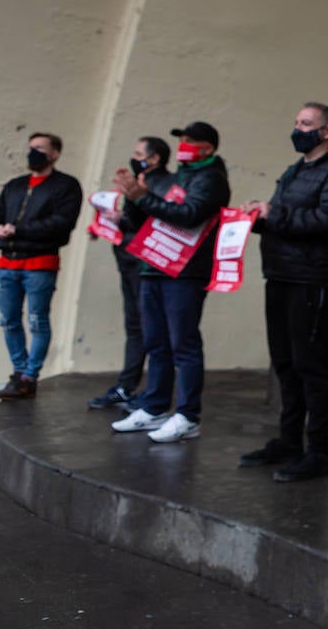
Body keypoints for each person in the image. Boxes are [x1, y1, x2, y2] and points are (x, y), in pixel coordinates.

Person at [238, 103, 328, 482]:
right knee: (285, 362)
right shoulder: (296, 170)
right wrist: (259, 216)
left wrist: (275, 215)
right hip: (281, 274)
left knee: (312, 363)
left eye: (306, 124)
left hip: (312, 278)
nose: (298, 129)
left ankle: (319, 451)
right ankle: (289, 440)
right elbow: (286, 216)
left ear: (327, 131)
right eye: (296, 122)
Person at [110, 121, 230, 443]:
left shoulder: (212, 179)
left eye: (191, 141)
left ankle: (188, 416)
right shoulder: (173, 178)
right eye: (181, 140)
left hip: (185, 272)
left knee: (183, 344)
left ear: (208, 147)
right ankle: (155, 407)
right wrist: (132, 197)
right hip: (154, 266)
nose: (183, 146)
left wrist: (144, 198)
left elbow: (189, 214)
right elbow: (145, 219)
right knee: (155, 342)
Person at [0, 132, 82, 400]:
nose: (33, 153)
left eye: (40, 148)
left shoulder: (66, 186)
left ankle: (30, 375)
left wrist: (18, 230)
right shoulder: (15, 185)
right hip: (7, 263)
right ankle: (19, 372)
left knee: (37, 320)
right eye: (31, 148)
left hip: (40, 264)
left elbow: (62, 224)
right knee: (8, 320)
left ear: (55, 153)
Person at [88, 136, 172, 410]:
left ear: (155, 157)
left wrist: (128, 218)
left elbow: (156, 224)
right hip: (128, 262)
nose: (134, 157)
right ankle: (127, 386)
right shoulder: (138, 184)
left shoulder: (161, 185)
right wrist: (115, 221)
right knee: (135, 326)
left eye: (139, 153)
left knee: (152, 329)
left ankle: (153, 394)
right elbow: (136, 221)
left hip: (145, 265)